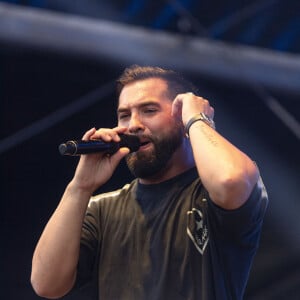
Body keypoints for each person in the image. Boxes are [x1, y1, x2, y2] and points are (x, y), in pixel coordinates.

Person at [31, 65, 268, 300]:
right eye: (124, 115)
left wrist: (197, 119)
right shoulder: (101, 209)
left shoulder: (209, 193)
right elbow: (46, 284)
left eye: (149, 110)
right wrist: (80, 187)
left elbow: (230, 181)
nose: (132, 124)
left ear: (180, 117)